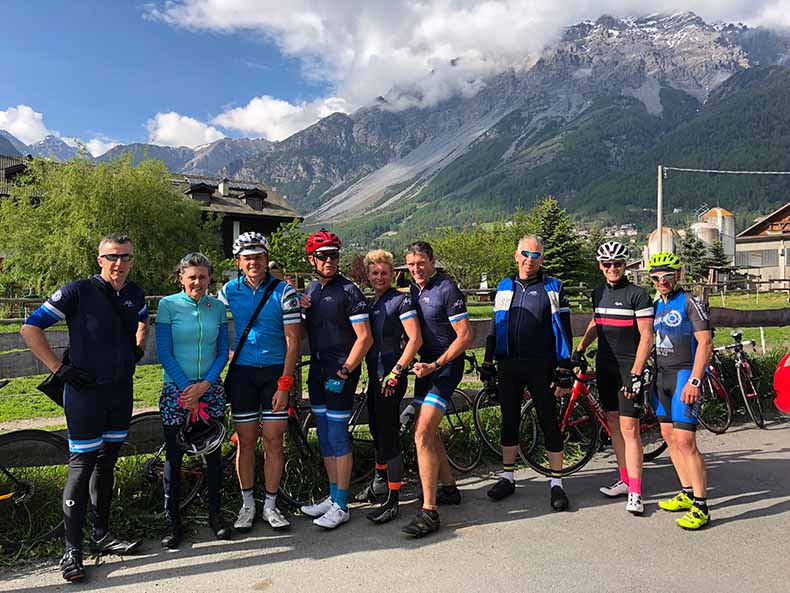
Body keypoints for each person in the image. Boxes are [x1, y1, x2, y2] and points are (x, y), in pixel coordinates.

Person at [21, 234, 148, 582]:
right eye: (112, 257)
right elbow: (31, 327)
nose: (119, 263)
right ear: (100, 260)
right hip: (85, 394)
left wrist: (137, 348)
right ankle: (72, 550)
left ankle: (101, 534)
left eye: (125, 257)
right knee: (81, 467)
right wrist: (59, 369)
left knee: (107, 462)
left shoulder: (134, 293)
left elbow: (142, 321)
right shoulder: (78, 291)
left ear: (132, 261)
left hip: (120, 393)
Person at [480, 235, 573, 511]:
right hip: (509, 365)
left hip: (541, 365)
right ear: (516, 255)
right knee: (509, 422)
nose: (529, 260)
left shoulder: (553, 287)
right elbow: (495, 327)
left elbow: (564, 329)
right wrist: (487, 362)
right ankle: (508, 477)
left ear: (541, 259)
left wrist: (565, 367)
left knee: (549, 422)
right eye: (525, 253)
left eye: (535, 255)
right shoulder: (505, 286)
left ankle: (557, 483)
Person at [218, 232, 302, 532]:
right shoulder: (228, 291)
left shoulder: (285, 293)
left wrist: (284, 383)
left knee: (274, 441)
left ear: (267, 259)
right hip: (242, 373)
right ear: (239, 263)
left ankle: (270, 505)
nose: (253, 262)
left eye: (258, 256)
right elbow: (210, 321)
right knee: (246, 442)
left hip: (273, 374)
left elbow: (294, 341)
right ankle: (247, 505)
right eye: (247, 257)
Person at [155, 253, 232, 547]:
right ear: (181, 279)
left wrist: (204, 386)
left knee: (213, 456)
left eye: (202, 276)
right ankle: (173, 521)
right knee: (173, 459)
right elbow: (164, 352)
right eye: (192, 277)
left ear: (209, 277)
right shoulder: (167, 305)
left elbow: (222, 350)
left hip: (209, 389)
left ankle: (215, 515)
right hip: (177, 390)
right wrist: (188, 389)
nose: (197, 282)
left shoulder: (216, 308)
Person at [300, 229, 373, 529]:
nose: (329, 260)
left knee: (339, 436)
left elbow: (365, 338)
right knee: (326, 437)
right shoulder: (313, 291)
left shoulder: (349, 291)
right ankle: (332, 497)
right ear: (312, 259)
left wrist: (344, 371)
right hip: (316, 373)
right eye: (323, 255)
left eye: (333, 255)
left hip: (340, 373)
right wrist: (302, 310)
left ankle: (342, 505)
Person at [573, 241, 653, 514]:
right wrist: (581, 347)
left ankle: (636, 491)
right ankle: (625, 479)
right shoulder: (598, 294)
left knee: (630, 430)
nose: (612, 268)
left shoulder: (638, 295)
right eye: (607, 264)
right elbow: (597, 323)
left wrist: (636, 372)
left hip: (627, 368)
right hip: (605, 366)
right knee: (614, 425)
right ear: (600, 266)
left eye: (617, 263)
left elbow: (646, 336)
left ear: (624, 265)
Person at [401, 241, 472, 537]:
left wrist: (437, 364)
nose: (416, 269)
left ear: (432, 261)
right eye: (411, 265)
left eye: (421, 263)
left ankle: (430, 511)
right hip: (425, 368)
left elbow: (466, 336)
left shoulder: (447, 289)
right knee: (426, 429)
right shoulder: (415, 289)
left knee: (421, 433)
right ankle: (450, 488)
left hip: (445, 368)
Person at [355, 249, 422, 523]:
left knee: (389, 436)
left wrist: (396, 371)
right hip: (374, 376)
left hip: (390, 377)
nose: (379, 277)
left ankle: (393, 500)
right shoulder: (372, 302)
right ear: (368, 275)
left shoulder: (400, 301)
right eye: (374, 273)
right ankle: (379, 483)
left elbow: (415, 339)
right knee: (377, 431)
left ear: (392, 274)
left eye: (384, 272)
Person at [648, 252, 713, 530]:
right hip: (661, 377)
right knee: (669, 436)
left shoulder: (689, 302)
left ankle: (701, 505)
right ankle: (686, 492)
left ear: (677, 276)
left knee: (686, 441)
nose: (661, 281)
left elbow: (706, 343)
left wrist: (695, 381)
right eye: (656, 277)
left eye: (666, 276)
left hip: (685, 374)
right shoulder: (655, 304)